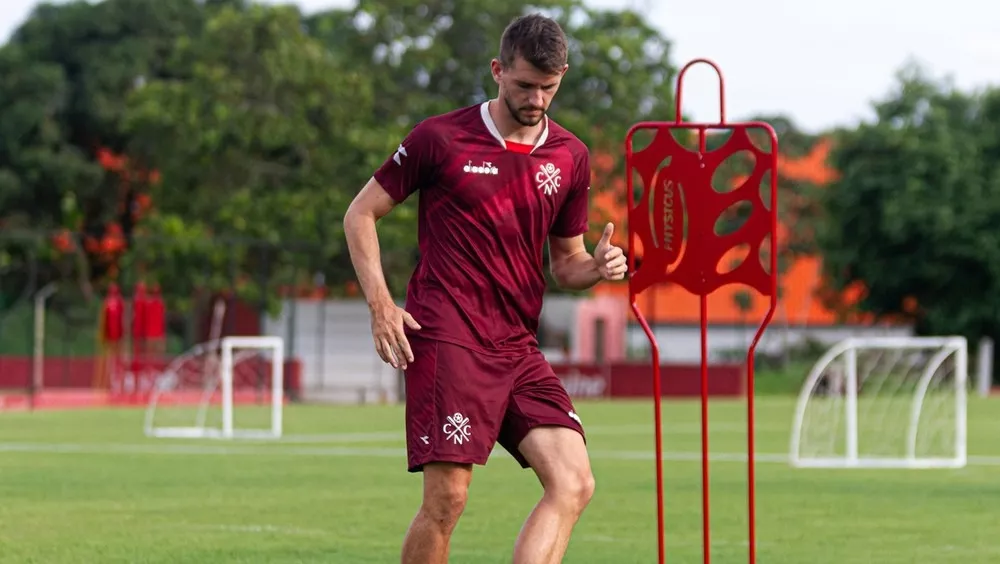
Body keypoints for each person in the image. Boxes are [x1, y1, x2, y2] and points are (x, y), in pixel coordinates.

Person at [343, 13, 627, 564]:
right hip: (448, 336)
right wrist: (381, 305)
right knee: (447, 499)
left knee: (573, 481)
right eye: (524, 85)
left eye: (549, 87)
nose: (536, 99)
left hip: (516, 345)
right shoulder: (439, 138)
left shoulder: (570, 156)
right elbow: (360, 214)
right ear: (498, 71)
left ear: (563, 76)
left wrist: (597, 267)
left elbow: (566, 265)